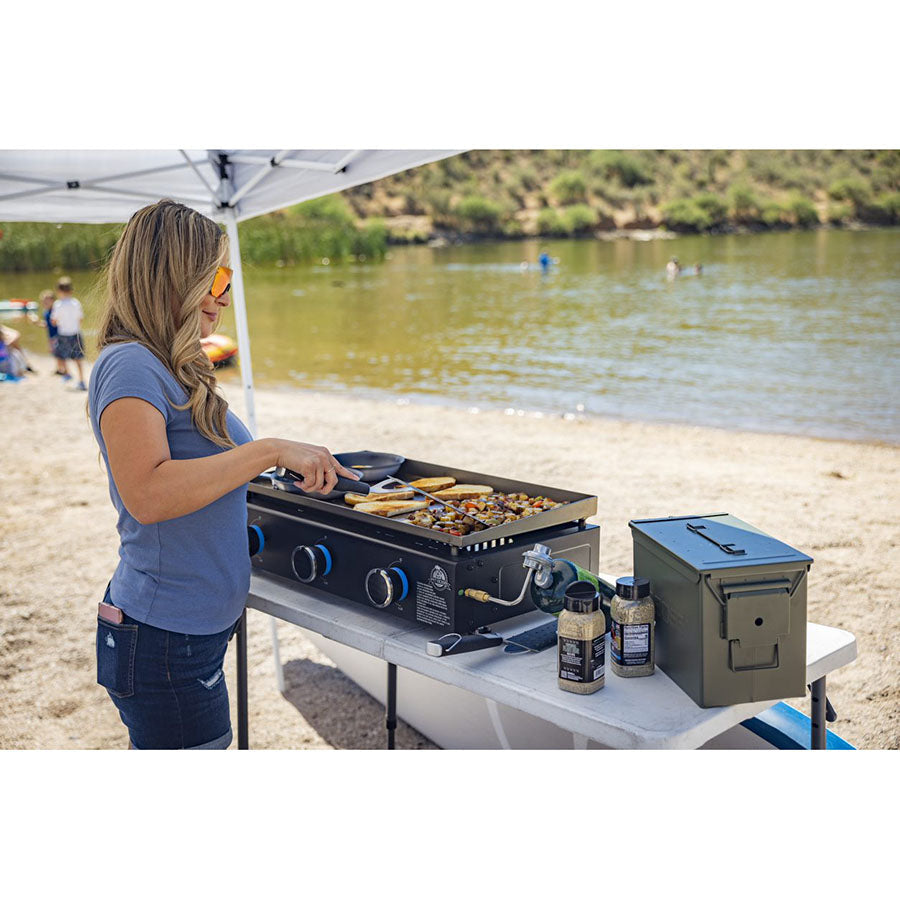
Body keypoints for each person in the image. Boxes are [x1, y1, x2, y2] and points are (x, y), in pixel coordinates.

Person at [88, 199, 360, 750]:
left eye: (225, 279)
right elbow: (149, 494)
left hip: (186, 633)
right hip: (165, 636)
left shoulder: (164, 363)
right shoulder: (130, 365)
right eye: (214, 277)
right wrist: (270, 450)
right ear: (174, 274)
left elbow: (202, 477)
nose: (222, 296)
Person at [51, 277, 86, 389]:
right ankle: (81, 380)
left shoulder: (57, 304)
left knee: (61, 355)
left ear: (59, 291)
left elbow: (54, 321)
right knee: (78, 358)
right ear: (71, 290)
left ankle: (67, 374)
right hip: (75, 333)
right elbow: (80, 319)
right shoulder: (76, 303)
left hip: (63, 333)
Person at [39, 289, 66, 375]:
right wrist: (37, 322)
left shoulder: (55, 310)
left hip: (58, 335)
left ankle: (64, 369)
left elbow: (58, 323)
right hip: (51, 335)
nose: (45, 303)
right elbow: (47, 325)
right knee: (54, 352)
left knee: (59, 353)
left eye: (47, 301)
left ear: (53, 301)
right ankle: (59, 368)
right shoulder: (45, 312)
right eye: (44, 302)